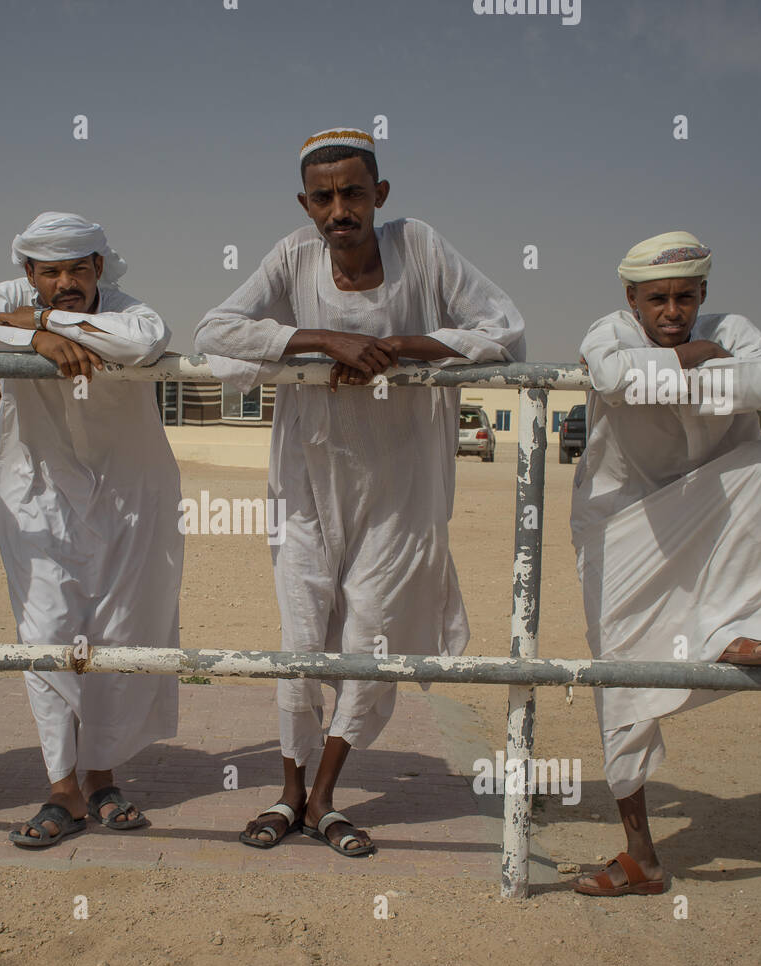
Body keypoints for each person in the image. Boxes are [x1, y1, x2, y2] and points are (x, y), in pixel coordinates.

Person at [194, 128, 525, 856]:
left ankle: (323, 797)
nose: (339, 209)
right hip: (309, 478)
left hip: (402, 480)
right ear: (306, 204)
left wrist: (397, 351)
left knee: (369, 632)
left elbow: (504, 330)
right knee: (302, 636)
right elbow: (216, 334)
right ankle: (288, 793)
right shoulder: (292, 256)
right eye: (324, 197)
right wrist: (322, 342)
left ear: (379, 195)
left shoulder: (422, 247)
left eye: (352, 193)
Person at [570, 231, 761, 895]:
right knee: (619, 681)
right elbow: (615, 380)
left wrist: (688, 365)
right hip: (623, 526)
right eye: (658, 300)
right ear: (632, 299)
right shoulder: (610, 331)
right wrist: (701, 361)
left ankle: (735, 629)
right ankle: (641, 855)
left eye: (685, 297)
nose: (673, 311)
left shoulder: (732, 327)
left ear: (704, 293)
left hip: (710, 507)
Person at [0, 212, 180, 848]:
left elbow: (144, 342)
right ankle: (62, 787)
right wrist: (28, 341)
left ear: (99, 267)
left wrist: (42, 322)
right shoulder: (0, 304)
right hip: (38, 492)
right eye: (50, 272)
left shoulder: (124, 308)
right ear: (28, 273)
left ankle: (102, 776)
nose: (66, 281)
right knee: (46, 629)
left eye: (78, 268)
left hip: (129, 494)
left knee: (120, 632)